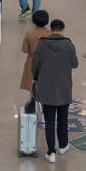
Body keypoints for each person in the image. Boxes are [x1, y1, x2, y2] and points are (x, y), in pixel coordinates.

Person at [31, 19, 79, 163]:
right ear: (63, 29)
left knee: (49, 121)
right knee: (63, 118)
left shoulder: (42, 44)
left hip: (47, 89)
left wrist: (35, 76)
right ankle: (63, 145)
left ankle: (51, 152)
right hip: (64, 88)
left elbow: (35, 64)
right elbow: (75, 64)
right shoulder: (69, 45)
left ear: (51, 29)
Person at [20, 9, 50, 98]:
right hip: (47, 62)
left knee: (33, 84)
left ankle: (33, 103)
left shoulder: (29, 33)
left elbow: (24, 49)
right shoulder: (50, 33)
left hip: (32, 61)